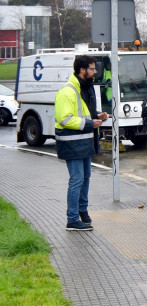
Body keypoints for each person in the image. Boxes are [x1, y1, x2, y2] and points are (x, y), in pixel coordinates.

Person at [55, 55, 109, 231]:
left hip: (85, 141)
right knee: (77, 180)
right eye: (92, 69)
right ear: (82, 70)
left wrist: (97, 115)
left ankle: (82, 212)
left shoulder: (86, 87)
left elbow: (84, 112)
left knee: (85, 178)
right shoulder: (67, 91)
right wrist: (89, 123)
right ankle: (72, 219)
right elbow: (64, 119)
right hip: (72, 143)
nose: (95, 72)